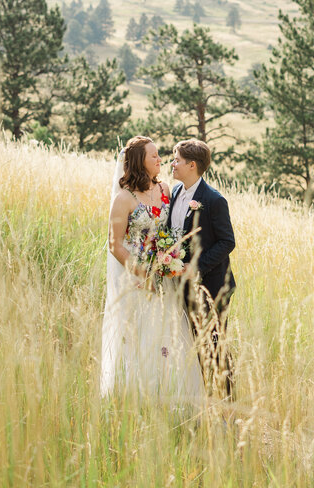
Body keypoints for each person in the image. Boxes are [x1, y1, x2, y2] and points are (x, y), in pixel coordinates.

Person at [100, 134, 204, 403]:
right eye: (154, 155)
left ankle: (169, 397)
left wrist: (169, 260)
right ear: (139, 162)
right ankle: (134, 398)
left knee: (167, 338)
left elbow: (170, 230)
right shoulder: (123, 199)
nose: (161, 159)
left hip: (165, 278)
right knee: (137, 339)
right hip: (135, 280)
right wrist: (142, 273)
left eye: (159, 155)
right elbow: (114, 244)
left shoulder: (166, 189)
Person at [169, 139, 236, 396]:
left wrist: (194, 268)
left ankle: (228, 404)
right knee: (191, 342)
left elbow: (227, 242)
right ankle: (199, 396)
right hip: (181, 284)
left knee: (216, 345)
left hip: (212, 285)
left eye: (177, 160)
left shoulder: (214, 200)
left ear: (192, 165)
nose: (173, 164)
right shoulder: (175, 192)